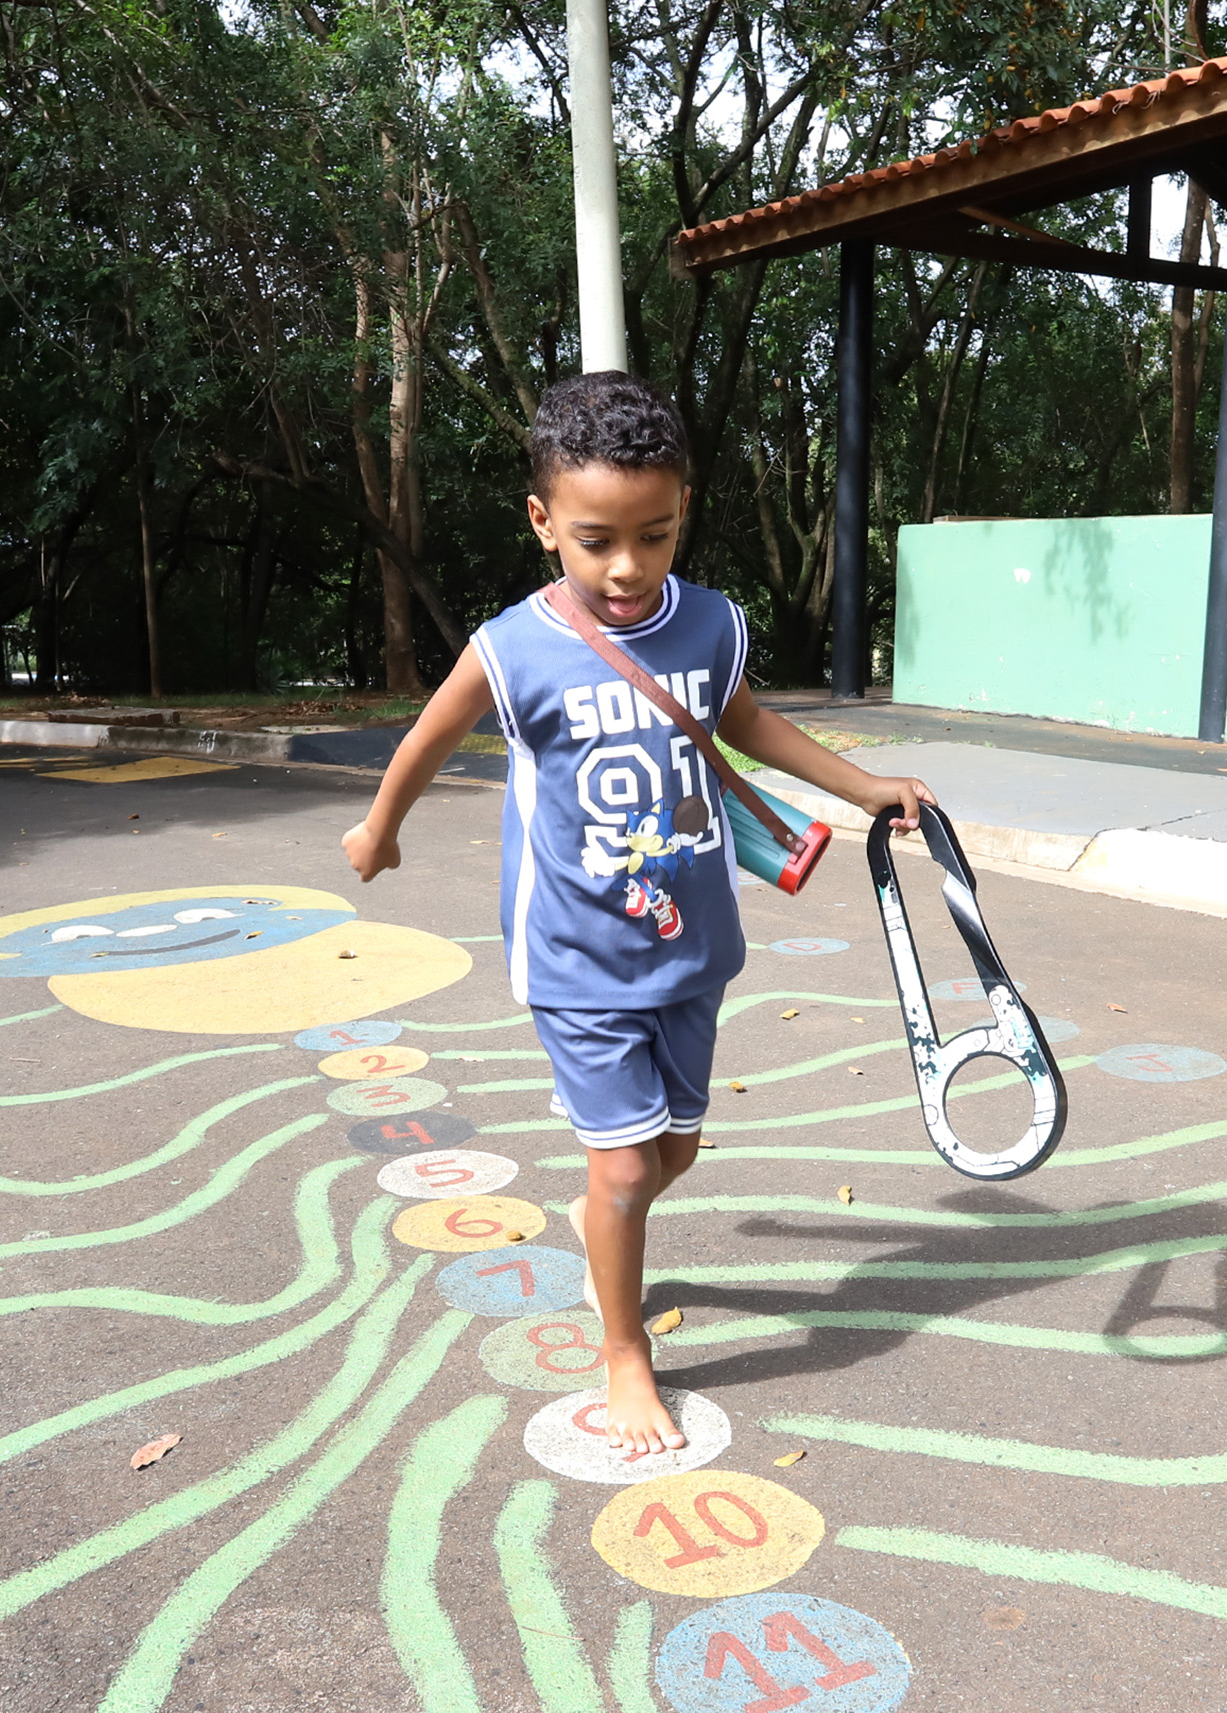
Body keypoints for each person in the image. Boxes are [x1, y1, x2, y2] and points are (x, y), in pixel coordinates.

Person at [342, 372, 934, 1458]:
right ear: (543, 524)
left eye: (652, 536)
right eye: (596, 539)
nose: (626, 567)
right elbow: (427, 737)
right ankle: (623, 1350)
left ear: (682, 514)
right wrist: (381, 828)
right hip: (576, 954)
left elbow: (747, 723)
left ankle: (604, 1219)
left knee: (674, 1151)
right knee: (621, 1170)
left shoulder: (708, 623)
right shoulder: (512, 647)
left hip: (691, 942)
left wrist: (863, 788)